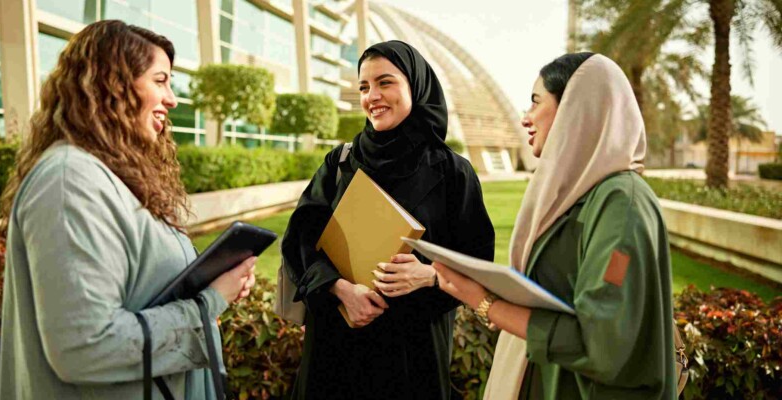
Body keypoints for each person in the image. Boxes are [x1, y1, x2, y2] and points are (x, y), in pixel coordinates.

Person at [0, 20, 256, 400]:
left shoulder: (112, 177)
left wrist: (212, 284)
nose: (172, 99)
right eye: (160, 80)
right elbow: (84, 347)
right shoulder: (71, 181)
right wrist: (210, 301)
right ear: (114, 84)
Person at [434, 53, 677, 399]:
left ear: (577, 111)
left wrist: (484, 301)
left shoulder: (621, 207)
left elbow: (602, 341)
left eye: (536, 103)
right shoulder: (577, 198)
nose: (525, 119)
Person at [280, 40, 495, 399]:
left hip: (412, 359)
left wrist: (429, 275)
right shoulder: (341, 163)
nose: (372, 96)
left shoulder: (452, 172)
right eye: (364, 87)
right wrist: (339, 289)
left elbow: (478, 261)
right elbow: (299, 241)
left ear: (415, 85)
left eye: (385, 82)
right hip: (335, 353)